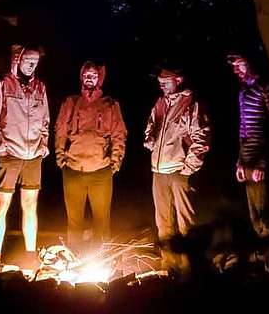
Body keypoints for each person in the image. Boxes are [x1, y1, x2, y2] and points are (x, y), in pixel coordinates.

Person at [0, 44, 50, 273]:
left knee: (30, 206)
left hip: (33, 156)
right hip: (10, 154)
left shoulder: (40, 87)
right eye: (28, 60)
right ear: (18, 60)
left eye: (36, 61)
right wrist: (0, 148)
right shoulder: (3, 84)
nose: (32, 65)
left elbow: (45, 121)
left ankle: (31, 255)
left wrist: (43, 146)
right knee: (1, 205)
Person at [54, 60, 127, 252]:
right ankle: (74, 257)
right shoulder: (71, 102)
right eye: (86, 74)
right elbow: (60, 130)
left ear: (99, 78)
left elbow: (119, 134)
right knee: (74, 220)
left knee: (102, 220)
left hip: (101, 171)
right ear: (81, 77)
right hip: (73, 169)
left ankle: (103, 258)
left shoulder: (110, 104)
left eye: (93, 75)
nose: (89, 78)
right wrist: (60, 157)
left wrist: (115, 161)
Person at [143, 65, 209, 274]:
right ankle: (169, 266)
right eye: (159, 80)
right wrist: (149, 138)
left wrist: (188, 168)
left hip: (180, 171)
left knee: (185, 223)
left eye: (166, 79)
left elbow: (201, 137)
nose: (161, 83)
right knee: (163, 223)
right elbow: (151, 126)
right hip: (159, 170)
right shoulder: (160, 103)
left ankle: (191, 269)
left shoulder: (191, 104)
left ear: (178, 79)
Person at [228, 50, 269, 270]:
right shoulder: (244, 90)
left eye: (239, 64)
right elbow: (244, 129)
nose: (235, 70)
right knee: (255, 216)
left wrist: (263, 163)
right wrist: (240, 161)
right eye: (233, 66)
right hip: (248, 157)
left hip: (262, 158)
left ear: (251, 63)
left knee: (266, 216)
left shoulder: (267, 87)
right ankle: (266, 261)